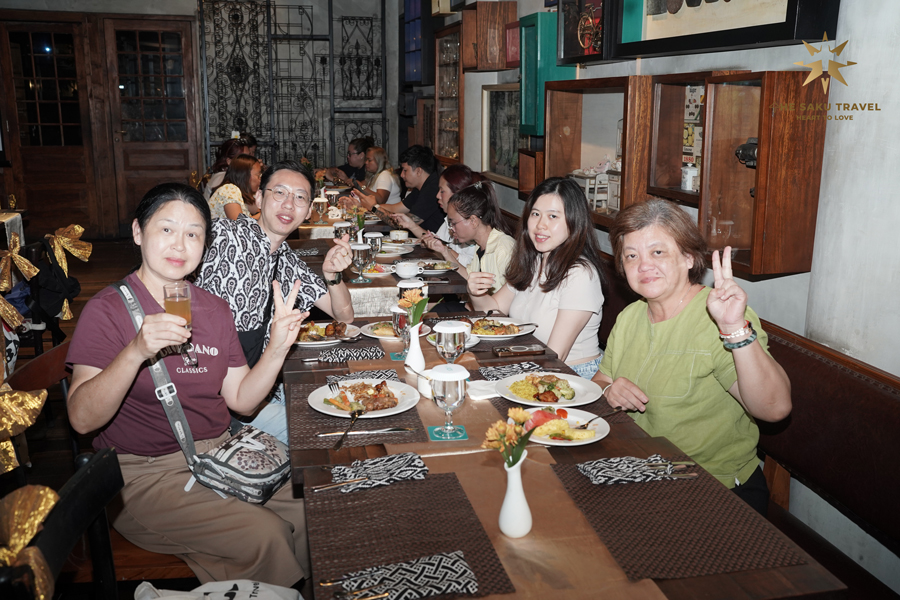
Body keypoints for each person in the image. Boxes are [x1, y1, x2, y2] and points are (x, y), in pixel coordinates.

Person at [66, 183, 311, 587]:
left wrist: (277, 347)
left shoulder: (214, 309)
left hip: (222, 457)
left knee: (310, 510)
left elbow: (242, 401)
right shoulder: (107, 310)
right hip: (145, 476)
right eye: (166, 229)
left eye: (193, 234)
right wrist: (135, 351)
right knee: (265, 534)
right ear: (138, 232)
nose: (180, 245)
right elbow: (81, 419)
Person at [592, 198, 791, 514]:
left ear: (688, 257)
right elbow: (600, 381)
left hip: (711, 486)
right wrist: (607, 390)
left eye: (658, 252)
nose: (643, 265)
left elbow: (775, 409)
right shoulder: (631, 316)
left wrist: (734, 328)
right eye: (631, 255)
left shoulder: (717, 318)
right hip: (640, 470)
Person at [196, 160, 354, 444]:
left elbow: (344, 316)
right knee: (327, 434)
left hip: (259, 386)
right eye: (279, 192)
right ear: (258, 198)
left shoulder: (288, 260)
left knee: (343, 408)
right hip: (215, 400)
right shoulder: (223, 235)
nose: (288, 204)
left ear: (308, 211)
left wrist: (333, 276)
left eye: (300, 197)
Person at [467, 177, 606, 377]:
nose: (541, 225)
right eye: (535, 214)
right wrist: (476, 293)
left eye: (553, 216)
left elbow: (556, 355)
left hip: (570, 374)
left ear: (574, 221)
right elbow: (493, 311)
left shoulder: (580, 275)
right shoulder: (534, 261)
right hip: (531, 363)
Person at [391, 164, 479, 271]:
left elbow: (470, 266)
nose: (437, 196)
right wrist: (411, 226)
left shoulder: (471, 223)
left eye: (442, 191)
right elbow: (437, 240)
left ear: (457, 194)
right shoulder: (448, 219)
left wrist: (444, 249)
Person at [370, 145, 444, 233]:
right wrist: (367, 204)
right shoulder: (420, 187)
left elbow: (404, 223)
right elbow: (395, 208)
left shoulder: (433, 189)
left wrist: (374, 207)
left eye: (405, 170)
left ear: (419, 171)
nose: (401, 175)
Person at [207, 154, 262, 220]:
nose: (260, 179)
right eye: (258, 175)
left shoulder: (240, 193)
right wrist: (263, 215)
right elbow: (238, 223)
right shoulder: (229, 189)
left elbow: (257, 209)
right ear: (245, 176)